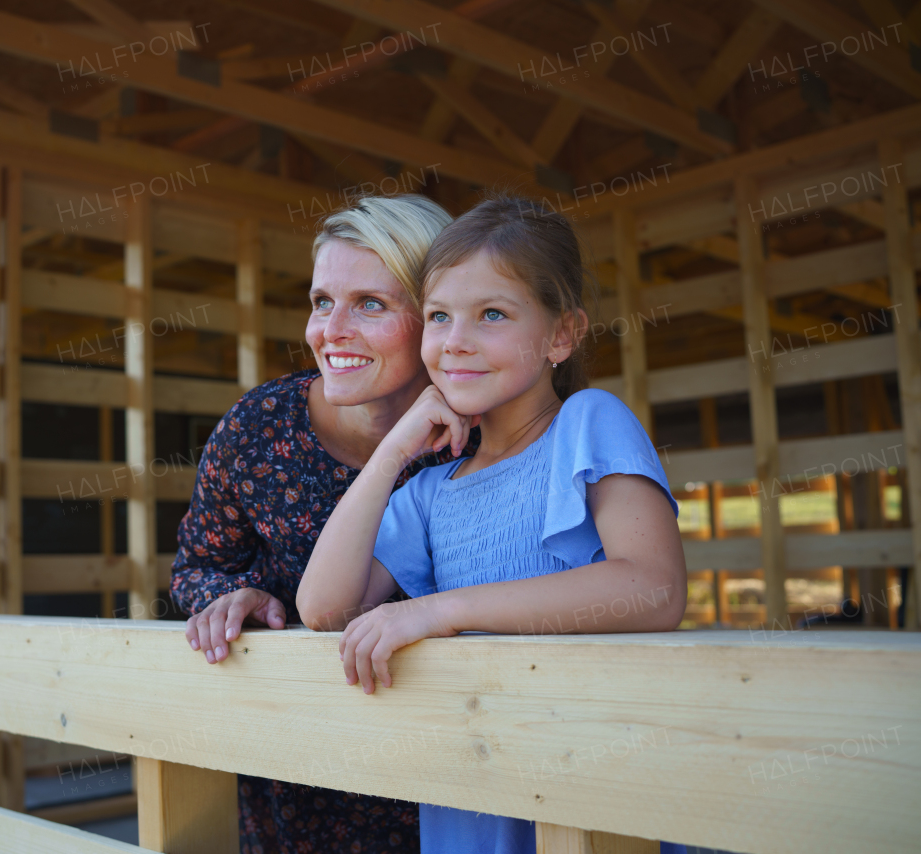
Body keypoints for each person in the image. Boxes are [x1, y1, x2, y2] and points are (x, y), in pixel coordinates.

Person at [295, 193, 688, 854]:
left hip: (593, 791)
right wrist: (395, 450)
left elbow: (653, 588)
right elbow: (321, 606)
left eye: (493, 316)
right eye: (440, 316)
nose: (456, 342)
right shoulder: (430, 491)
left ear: (561, 334)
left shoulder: (588, 424)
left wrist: (437, 612)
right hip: (471, 797)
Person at [171, 195, 478, 854]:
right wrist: (231, 598)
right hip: (296, 792)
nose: (331, 330)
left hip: (462, 790)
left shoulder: (485, 436)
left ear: (434, 319)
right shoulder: (257, 430)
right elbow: (197, 567)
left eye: (370, 303)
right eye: (320, 302)